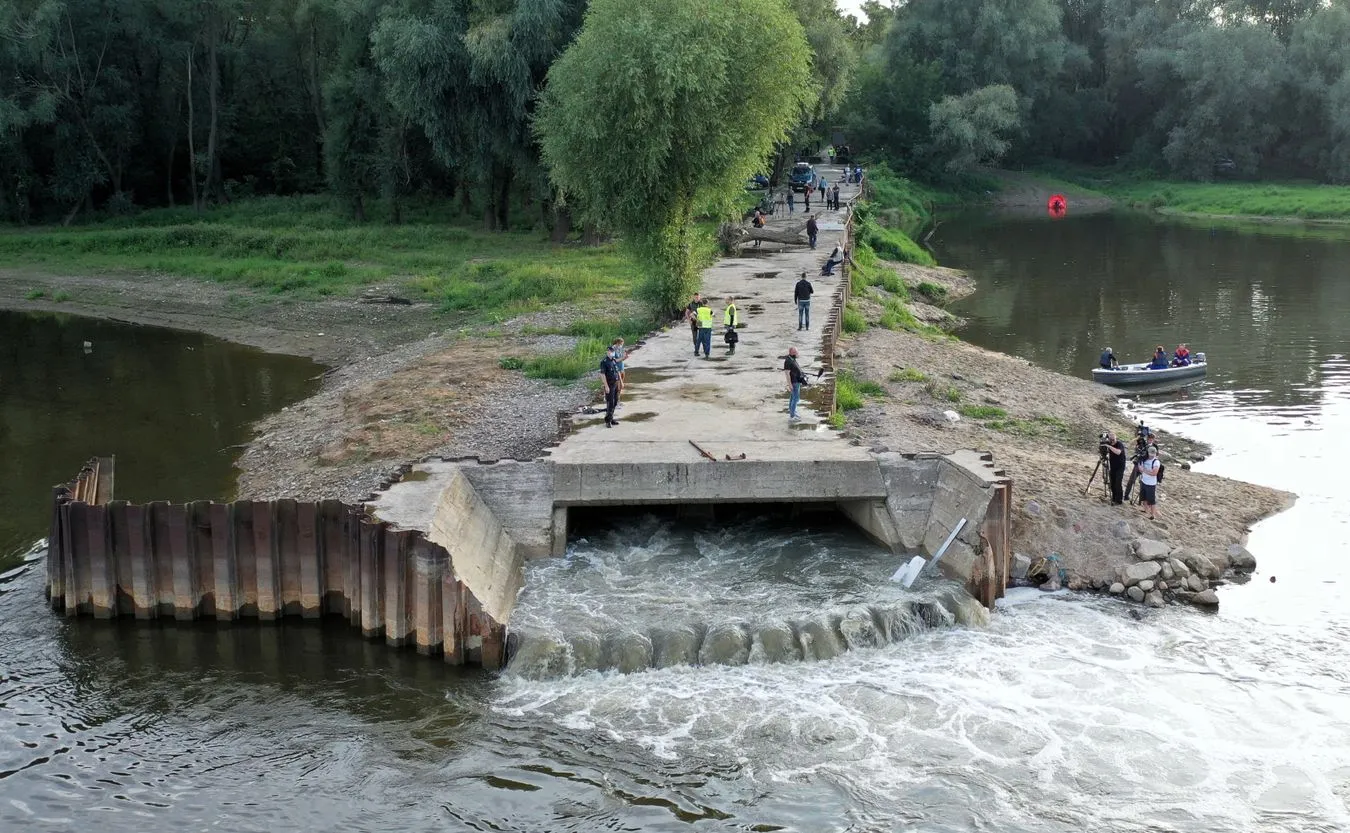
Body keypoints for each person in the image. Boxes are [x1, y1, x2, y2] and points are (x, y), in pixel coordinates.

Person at [600, 346, 622, 427]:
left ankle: (611, 418)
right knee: (610, 402)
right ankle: (608, 421)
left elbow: (617, 372)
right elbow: (602, 374)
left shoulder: (613, 360)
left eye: (612, 351)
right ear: (607, 352)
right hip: (609, 384)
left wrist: (621, 382)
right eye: (609, 351)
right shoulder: (604, 362)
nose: (611, 352)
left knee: (615, 401)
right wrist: (606, 386)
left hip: (615, 384)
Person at [1138, 445, 1162, 519]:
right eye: (1150, 454)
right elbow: (1140, 469)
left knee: (1151, 500)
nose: (1152, 455)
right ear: (1148, 452)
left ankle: (1153, 514)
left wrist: (1144, 470)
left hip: (1151, 484)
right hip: (1143, 481)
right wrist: (1139, 465)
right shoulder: (1144, 459)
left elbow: (1154, 473)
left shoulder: (1156, 462)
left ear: (1155, 453)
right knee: (1144, 498)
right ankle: (1146, 510)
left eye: (1153, 454)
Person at [1103, 431, 1127, 504]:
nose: (1112, 440)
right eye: (1111, 438)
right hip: (1112, 466)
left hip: (1120, 466)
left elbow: (1118, 452)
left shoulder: (1119, 444)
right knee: (1112, 482)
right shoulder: (1109, 443)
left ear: (1115, 437)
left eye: (1113, 438)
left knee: (1118, 483)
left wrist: (1109, 446)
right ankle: (1114, 497)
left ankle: (1119, 500)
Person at [784, 346, 805, 421]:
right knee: (795, 399)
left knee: (793, 398)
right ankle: (792, 416)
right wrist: (789, 385)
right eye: (796, 352)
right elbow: (787, 373)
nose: (798, 353)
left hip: (797, 381)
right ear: (793, 353)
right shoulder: (788, 361)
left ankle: (793, 413)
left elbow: (795, 369)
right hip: (794, 383)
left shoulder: (792, 359)